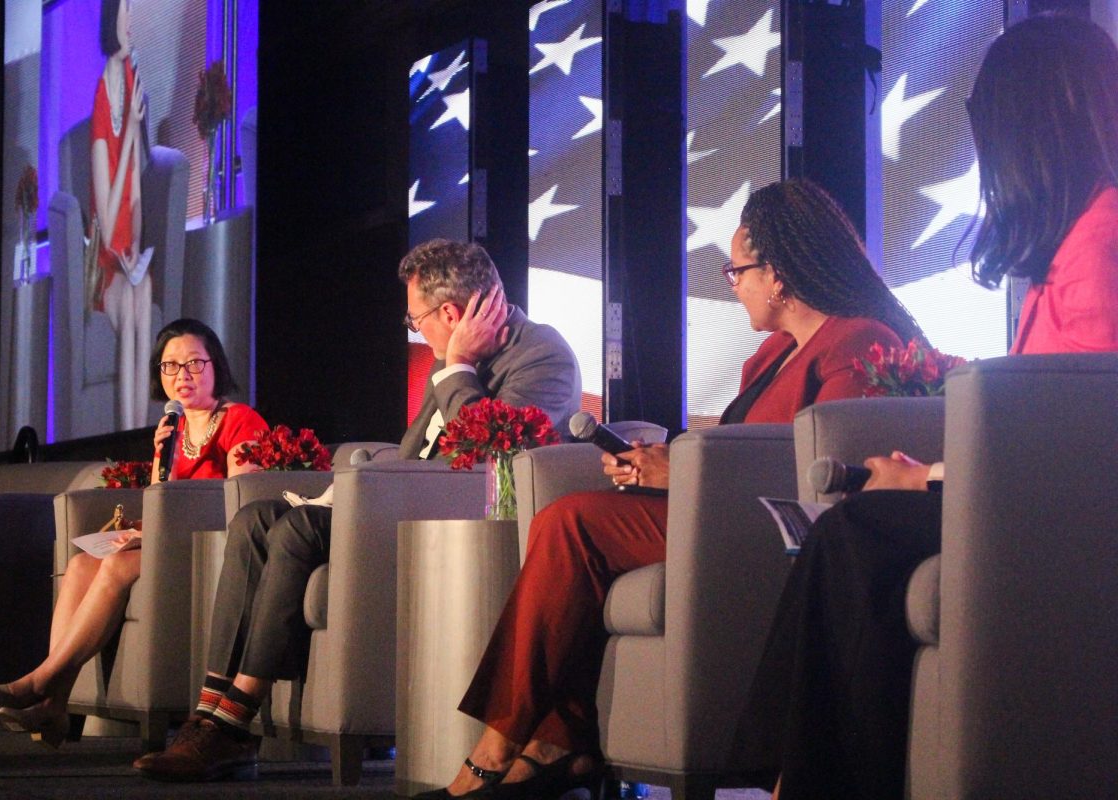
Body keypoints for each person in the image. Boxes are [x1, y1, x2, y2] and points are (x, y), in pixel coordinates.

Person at [422, 179, 926, 800]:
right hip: (711, 512)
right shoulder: (767, 357)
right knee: (567, 520)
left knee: (570, 523)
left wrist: (682, 471)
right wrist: (657, 463)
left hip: (771, 526)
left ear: (779, 274)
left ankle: (496, 754)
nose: (731, 283)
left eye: (737, 269)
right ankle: (550, 746)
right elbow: (736, 448)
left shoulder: (854, 341)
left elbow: (831, 471)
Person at [728, 14, 1118, 800]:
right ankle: (784, 778)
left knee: (857, 530)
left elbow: (1084, 435)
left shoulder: (1101, 243)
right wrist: (933, 470)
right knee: (848, 526)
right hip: (1036, 497)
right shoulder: (1072, 243)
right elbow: (1036, 424)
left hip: (1068, 514)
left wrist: (935, 484)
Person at [133, 239, 582, 782]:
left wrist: (458, 364)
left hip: (460, 518)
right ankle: (207, 713)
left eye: (417, 320)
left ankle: (233, 723)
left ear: (451, 314)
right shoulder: (452, 361)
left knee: (298, 528)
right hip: (404, 496)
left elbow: (488, 450)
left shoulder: (541, 355)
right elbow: (416, 448)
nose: (418, 333)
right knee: (255, 519)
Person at [0, 319, 267, 747]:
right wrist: (150, 512)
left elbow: (241, 500)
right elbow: (163, 500)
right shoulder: (171, 432)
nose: (182, 376)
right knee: (79, 564)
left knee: (113, 565)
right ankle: (57, 706)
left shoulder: (239, 419)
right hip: (168, 538)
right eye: (170, 366)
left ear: (216, 365)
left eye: (194, 364)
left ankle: (39, 682)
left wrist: (158, 526)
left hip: (210, 547)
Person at [91, 0, 153, 431]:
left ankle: (147, 433)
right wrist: (128, 132)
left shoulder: (130, 82)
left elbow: (133, 209)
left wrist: (134, 256)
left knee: (143, 288)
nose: (131, 22)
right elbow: (107, 216)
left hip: (126, 261)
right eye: (125, 12)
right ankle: (129, 436)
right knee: (129, 301)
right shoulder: (101, 104)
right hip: (104, 268)